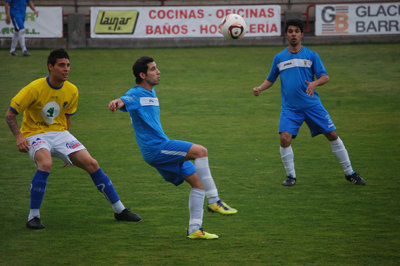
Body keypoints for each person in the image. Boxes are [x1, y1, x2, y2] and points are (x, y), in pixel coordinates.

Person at [5, 49, 142, 230]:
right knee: (45, 164)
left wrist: (66, 151)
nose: (66, 69)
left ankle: (120, 210)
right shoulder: (34, 88)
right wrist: (19, 137)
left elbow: (67, 118)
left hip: (61, 134)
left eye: (68, 65)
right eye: (62, 65)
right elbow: (9, 115)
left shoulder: (72, 90)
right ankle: (33, 217)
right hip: (34, 134)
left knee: (92, 163)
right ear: (50, 67)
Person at [108, 56, 237, 240]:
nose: (158, 72)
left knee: (198, 184)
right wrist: (116, 102)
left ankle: (194, 229)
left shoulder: (151, 93)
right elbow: (123, 100)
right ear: (142, 75)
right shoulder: (136, 93)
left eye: (157, 68)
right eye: (153, 69)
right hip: (157, 149)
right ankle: (214, 201)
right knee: (201, 152)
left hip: (160, 148)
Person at [252, 19, 366, 186]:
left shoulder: (312, 56)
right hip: (290, 109)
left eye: (296, 31)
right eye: (290, 31)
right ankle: (291, 176)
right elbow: (271, 79)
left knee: (332, 135)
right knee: (284, 139)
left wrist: (314, 83)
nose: (293, 34)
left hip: (312, 106)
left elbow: (325, 77)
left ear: (301, 34)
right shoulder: (279, 58)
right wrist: (260, 88)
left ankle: (350, 172)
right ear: (286, 34)